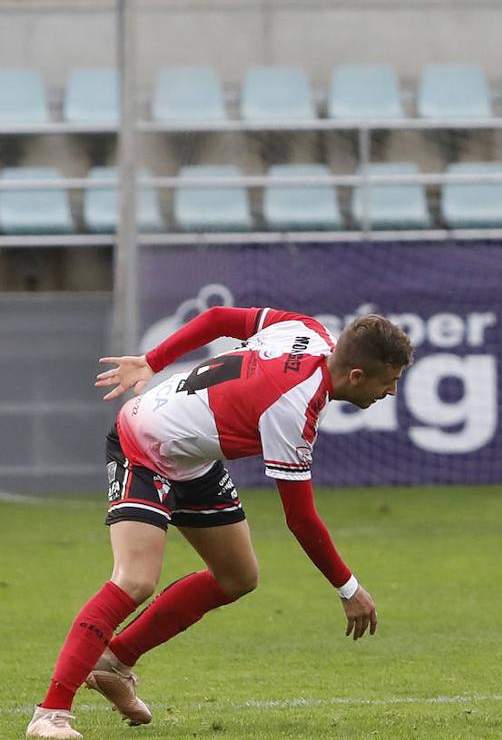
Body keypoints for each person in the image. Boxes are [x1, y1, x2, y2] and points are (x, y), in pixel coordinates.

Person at [26, 307, 413, 739]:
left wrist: (152, 361)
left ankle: (115, 661)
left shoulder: (306, 330)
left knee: (237, 576)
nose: (393, 391)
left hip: (195, 458)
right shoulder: (293, 406)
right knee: (135, 580)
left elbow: (217, 318)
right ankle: (50, 713)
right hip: (144, 444)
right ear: (357, 376)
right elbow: (301, 520)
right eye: (389, 381)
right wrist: (348, 588)